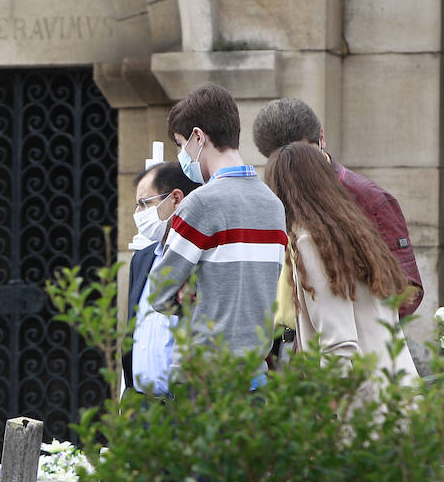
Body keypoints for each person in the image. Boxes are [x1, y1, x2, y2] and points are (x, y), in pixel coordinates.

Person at [148, 83, 288, 359]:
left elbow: (157, 292)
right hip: (253, 372)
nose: (182, 156)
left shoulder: (200, 204)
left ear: (198, 137)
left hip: (202, 374)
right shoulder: (274, 206)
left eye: (181, 144)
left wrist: (192, 297)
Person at [252, 97, 423, 317]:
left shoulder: (368, 199)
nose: (294, 170)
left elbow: (407, 292)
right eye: (281, 161)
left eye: (304, 156)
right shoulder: (267, 202)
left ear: (321, 138)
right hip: (283, 344)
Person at [264, 142, 418, 380]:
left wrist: (329, 409)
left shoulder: (311, 242)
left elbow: (338, 347)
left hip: (361, 406)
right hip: (394, 390)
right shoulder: (351, 230)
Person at [124, 161, 199, 393]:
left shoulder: (201, 259)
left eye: (144, 204)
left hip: (180, 408)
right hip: (139, 403)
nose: (137, 214)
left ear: (176, 199)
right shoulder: (142, 259)